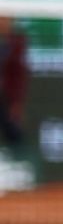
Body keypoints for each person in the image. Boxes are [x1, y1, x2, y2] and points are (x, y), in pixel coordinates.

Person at [0, 15, 26, 157]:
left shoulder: (16, 42)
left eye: (6, 19)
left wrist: (16, 103)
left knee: (13, 131)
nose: (3, 22)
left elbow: (18, 74)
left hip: (5, 97)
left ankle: (18, 164)